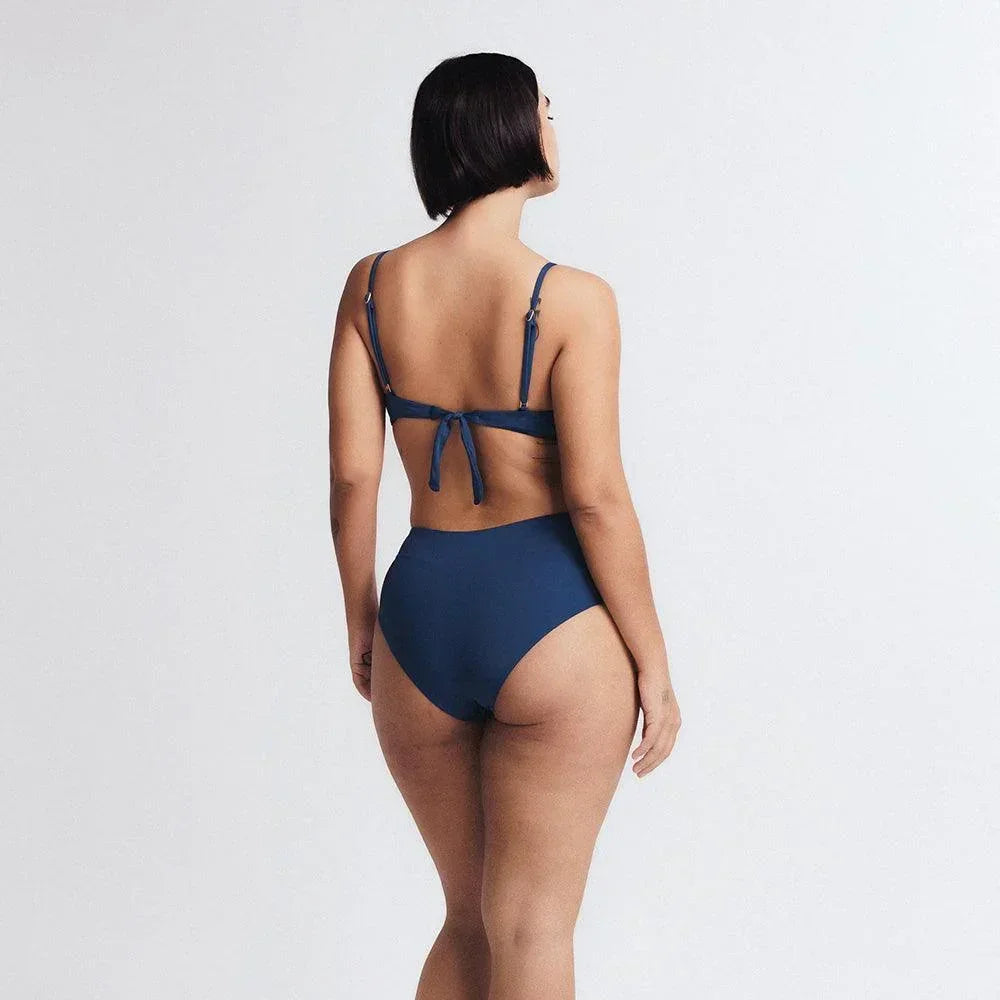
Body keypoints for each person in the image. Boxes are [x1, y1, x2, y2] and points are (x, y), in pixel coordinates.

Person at [328, 52, 680, 1000]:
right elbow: (598, 497)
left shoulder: (371, 286)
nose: (555, 130)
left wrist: (362, 618)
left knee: (467, 919)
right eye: (547, 111)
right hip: (549, 615)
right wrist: (652, 658)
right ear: (511, 129)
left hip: (420, 613)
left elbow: (355, 474)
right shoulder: (573, 298)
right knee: (532, 926)